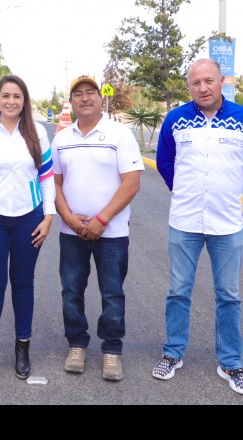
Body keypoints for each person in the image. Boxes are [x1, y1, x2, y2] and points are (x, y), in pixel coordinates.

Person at [152, 57, 243, 396]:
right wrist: (183, 189)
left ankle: (231, 363)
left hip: (226, 223)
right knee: (178, 291)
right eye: (195, 82)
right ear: (189, 86)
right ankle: (173, 353)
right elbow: (164, 162)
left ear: (221, 82)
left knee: (228, 295)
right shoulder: (175, 119)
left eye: (208, 81)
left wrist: (232, 187)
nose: (202, 87)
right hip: (184, 220)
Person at [51, 75, 143, 382]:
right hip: (71, 232)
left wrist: (102, 219)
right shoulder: (61, 138)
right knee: (71, 291)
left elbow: (131, 182)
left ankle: (112, 350)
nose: (85, 97)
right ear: (71, 102)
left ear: (100, 98)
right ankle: (76, 344)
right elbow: (54, 183)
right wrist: (68, 217)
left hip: (111, 232)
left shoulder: (119, 134)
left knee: (112, 293)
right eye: (78, 94)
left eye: (90, 92)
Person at [0, 74, 56, 383]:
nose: (11, 101)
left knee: (23, 284)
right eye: (5, 95)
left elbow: (46, 176)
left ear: (24, 100)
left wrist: (48, 216)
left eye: (17, 96)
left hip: (29, 217)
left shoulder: (37, 132)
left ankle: (22, 349)